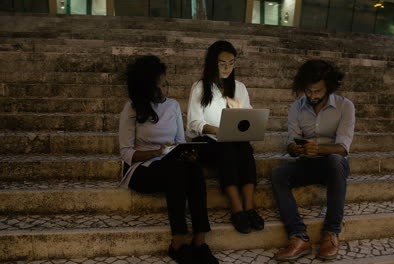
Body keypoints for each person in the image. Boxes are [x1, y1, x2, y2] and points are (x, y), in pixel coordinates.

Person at [119, 55, 218, 264]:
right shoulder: (132, 108)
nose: (166, 89)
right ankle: (178, 241)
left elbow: (180, 141)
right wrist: (156, 153)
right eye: (161, 86)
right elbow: (126, 153)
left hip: (171, 163)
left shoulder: (172, 106)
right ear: (147, 89)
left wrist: (188, 153)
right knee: (178, 171)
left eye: (167, 84)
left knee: (193, 168)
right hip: (140, 169)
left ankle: (200, 240)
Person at [271, 59, 355, 261]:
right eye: (308, 91)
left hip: (333, 166)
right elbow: (290, 144)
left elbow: (343, 148)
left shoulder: (345, 106)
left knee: (335, 160)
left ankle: (331, 232)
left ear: (329, 87)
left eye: (317, 91)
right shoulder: (296, 107)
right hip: (307, 163)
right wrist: (296, 148)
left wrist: (319, 149)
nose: (312, 96)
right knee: (277, 174)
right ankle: (299, 237)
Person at [186, 40, 264, 234]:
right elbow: (194, 124)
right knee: (226, 148)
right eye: (222, 63)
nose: (227, 67)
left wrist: (241, 116)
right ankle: (237, 208)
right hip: (207, 141)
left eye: (231, 63)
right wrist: (217, 131)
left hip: (235, 140)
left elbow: (249, 118)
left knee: (245, 148)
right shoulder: (200, 87)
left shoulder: (240, 88)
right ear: (213, 63)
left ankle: (249, 207)